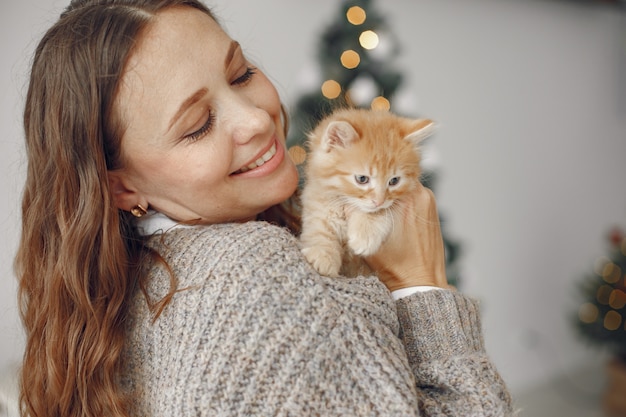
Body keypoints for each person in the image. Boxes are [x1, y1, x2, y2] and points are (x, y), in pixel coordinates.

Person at [15, 0, 516, 416]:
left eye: (241, 73)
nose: (255, 118)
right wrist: (421, 285)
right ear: (122, 188)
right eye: (197, 126)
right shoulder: (257, 278)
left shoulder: (112, 291)